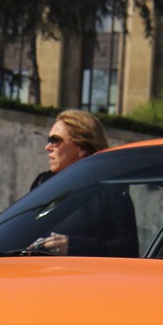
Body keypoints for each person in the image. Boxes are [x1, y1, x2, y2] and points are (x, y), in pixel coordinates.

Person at [28, 110, 135, 257]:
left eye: (55, 140)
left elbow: (128, 248)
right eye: (48, 140)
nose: (48, 147)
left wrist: (73, 246)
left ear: (82, 148)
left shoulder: (110, 188)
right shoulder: (43, 184)